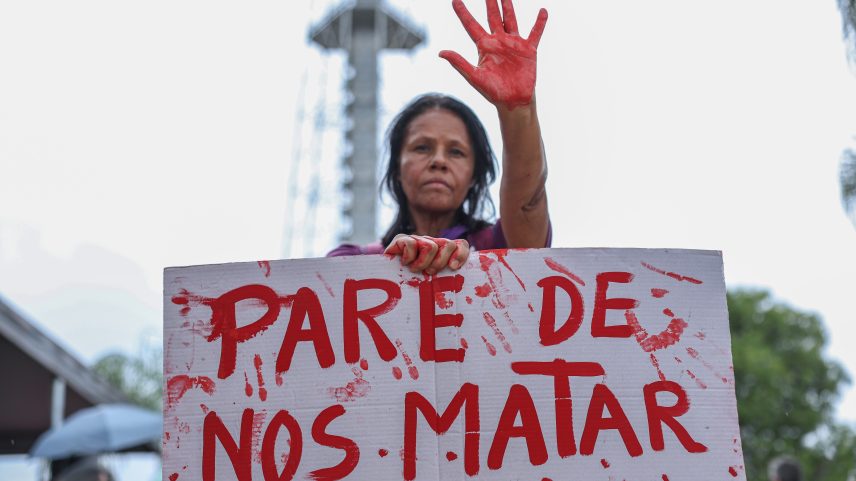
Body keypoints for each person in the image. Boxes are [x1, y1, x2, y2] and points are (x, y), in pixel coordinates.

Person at [328, 0, 550, 274]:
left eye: (456, 152)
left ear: (474, 175)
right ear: (397, 168)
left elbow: (528, 203)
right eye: (422, 148)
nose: (439, 161)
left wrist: (518, 110)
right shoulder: (349, 263)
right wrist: (389, 266)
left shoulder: (500, 247)